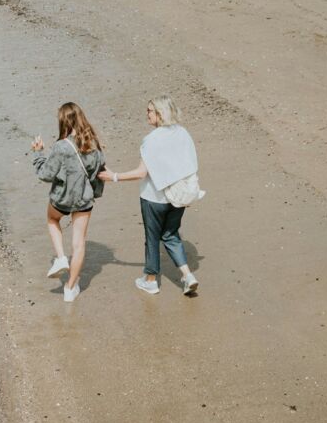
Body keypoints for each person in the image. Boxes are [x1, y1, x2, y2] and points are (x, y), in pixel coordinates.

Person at [100, 95, 200, 296]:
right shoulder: (183, 133)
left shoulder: (151, 139)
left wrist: (114, 176)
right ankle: (188, 276)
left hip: (154, 198)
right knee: (172, 235)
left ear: (160, 114)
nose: (147, 114)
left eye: (150, 111)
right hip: (179, 196)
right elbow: (191, 166)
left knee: (152, 238)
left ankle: (151, 280)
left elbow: (141, 173)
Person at [31, 102, 106, 302]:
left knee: (51, 220)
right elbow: (99, 171)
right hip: (83, 199)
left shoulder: (61, 146)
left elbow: (45, 174)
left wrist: (38, 153)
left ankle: (61, 257)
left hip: (62, 198)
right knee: (79, 243)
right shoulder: (94, 144)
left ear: (63, 121)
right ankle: (70, 288)